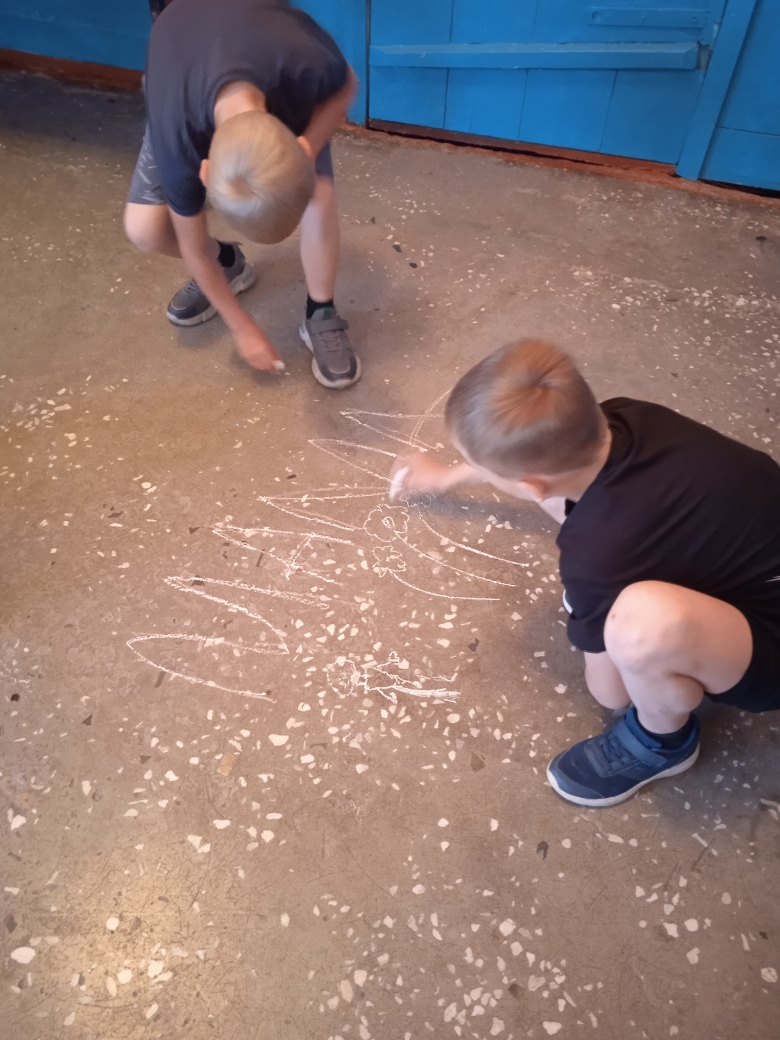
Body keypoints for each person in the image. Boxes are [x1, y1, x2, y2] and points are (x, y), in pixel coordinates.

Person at [389, 339, 780, 807]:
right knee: (577, 505)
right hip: (756, 556)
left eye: (482, 469)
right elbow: (544, 471)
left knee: (636, 630)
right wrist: (448, 477)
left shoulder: (596, 557)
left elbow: (610, 693)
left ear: (530, 485)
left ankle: (663, 743)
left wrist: (594, 608)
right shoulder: (628, 416)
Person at [125, 0, 360, 389]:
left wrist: (309, 145)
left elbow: (347, 83)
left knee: (319, 196)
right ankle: (228, 263)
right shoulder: (179, 140)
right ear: (203, 171)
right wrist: (242, 327)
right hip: (177, 83)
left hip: (261, 65)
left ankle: (321, 310)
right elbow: (193, 247)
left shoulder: (302, 60)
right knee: (144, 230)